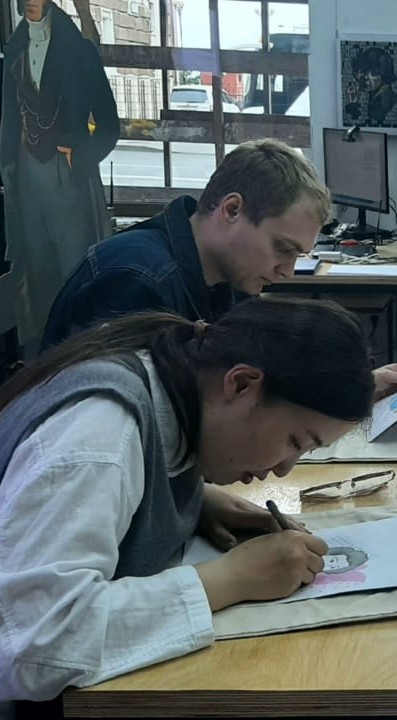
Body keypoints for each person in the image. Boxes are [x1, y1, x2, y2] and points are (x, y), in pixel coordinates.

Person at [0, 297, 376, 702]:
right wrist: (233, 578)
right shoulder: (100, 435)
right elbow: (36, 647)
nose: (285, 469)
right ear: (241, 383)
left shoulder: (176, 366)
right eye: (295, 441)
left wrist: (196, 499)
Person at [41, 138, 397, 400]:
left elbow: (254, 372)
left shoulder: (222, 278)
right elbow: (120, 434)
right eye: (282, 248)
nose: (287, 271)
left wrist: (354, 391)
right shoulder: (135, 283)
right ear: (232, 210)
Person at [1, 0, 120, 350]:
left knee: (76, 273)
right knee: (36, 273)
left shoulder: (78, 50)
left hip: (68, 176)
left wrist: (78, 157)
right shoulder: (15, 49)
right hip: (26, 175)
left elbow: (109, 125)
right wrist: (9, 165)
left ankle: (78, 354)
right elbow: (9, 117)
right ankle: (39, 360)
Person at [344, 45, 397, 127]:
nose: (366, 77)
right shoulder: (372, 99)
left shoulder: (387, 102)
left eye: (374, 73)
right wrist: (353, 102)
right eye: (364, 71)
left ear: (384, 75)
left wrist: (353, 106)